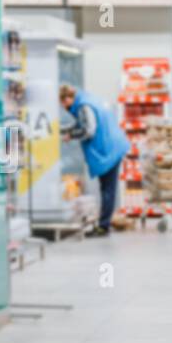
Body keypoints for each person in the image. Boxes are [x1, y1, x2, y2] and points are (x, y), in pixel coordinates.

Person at [60, 83, 129, 237]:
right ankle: (103, 224)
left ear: (69, 98)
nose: (63, 107)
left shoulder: (84, 106)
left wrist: (71, 136)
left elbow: (88, 130)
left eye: (63, 102)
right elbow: (80, 123)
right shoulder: (86, 101)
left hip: (108, 150)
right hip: (110, 148)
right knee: (106, 187)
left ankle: (103, 227)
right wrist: (61, 130)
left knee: (107, 188)